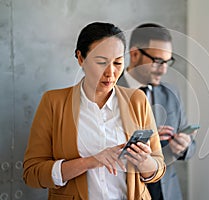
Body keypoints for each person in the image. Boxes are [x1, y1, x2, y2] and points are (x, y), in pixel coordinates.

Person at [23, 22, 166, 200]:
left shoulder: (137, 100)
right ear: (81, 58)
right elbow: (32, 173)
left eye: (118, 62)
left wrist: (144, 162)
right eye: (101, 62)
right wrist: (90, 161)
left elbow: (158, 168)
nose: (111, 72)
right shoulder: (54, 102)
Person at [117, 23, 196, 200]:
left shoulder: (171, 93)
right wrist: (151, 141)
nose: (164, 69)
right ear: (135, 54)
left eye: (167, 62)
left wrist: (183, 147)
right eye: (158, 61)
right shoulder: (110, 91)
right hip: (125, 190)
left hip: (167, 192)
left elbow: (192, 146)